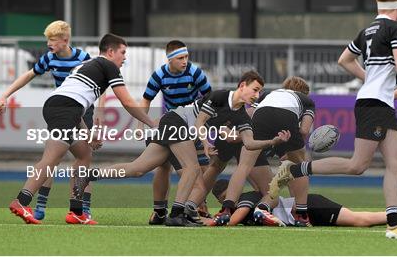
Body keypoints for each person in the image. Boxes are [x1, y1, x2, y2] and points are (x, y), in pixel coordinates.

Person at [269, 0, 397, 239]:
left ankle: (395, 224)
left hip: (377, 102)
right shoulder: (394, 27)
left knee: (396, 163)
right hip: (375, 104)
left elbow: (344, 59)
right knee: (357, 165)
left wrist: (369, 79)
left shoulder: (367, 30)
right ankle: (295, 170)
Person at [74, 71, 290, 226]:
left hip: (178, 128)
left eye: (260, 92)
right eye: (255, 90)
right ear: (242, 85)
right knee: (193, 168)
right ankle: (177, 214)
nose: (257, 95)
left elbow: (249, 143)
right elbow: (199, 123)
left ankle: (90, 175)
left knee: (138, 168)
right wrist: (206, 144)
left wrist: (273, 141)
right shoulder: (220, 96)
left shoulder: (241, 114)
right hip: (176, 121)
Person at [8, 33, 157, 225]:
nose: (125, 57)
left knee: (84, 154)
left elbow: (76, 101)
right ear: (110, 52)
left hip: (62, 107)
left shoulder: (86, 66)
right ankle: (22, 201)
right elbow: (127, 101)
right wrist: (150, 123)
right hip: (64, 109)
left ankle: (76, 211)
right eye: (123, 52)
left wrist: (87, 132)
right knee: (51, 158)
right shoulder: (108, 65)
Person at [0, 20, 103, 223]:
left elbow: (99, 85)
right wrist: (5, 95)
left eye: (52, 40)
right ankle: (40, 205)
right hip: (63, 110)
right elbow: (29, 75)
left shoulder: (83, 58)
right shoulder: (49, 58)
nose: (49, 44)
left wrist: (97, 118)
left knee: (81, 157)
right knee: (55, 157)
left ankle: (81, 209)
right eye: (48, 40)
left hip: (82, 110)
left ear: (65, 40)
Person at [213, 76, 315, 227]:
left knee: (243, 167)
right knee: (300, 167)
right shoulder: (306, 101)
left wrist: (227, 128)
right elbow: (304, 130)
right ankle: (300, 214)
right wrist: (295, 146)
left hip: (261, 117)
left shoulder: (269, 94)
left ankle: (227, 209)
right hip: (287, 119)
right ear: (304, 93)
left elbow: (248, 114)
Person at [139, 40, 212, 225]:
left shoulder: (195, 73)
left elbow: (210, 100)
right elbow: (146, 100)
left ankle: (198, 207)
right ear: (170, 59)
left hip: (193, 125)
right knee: (164, 167)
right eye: (180, 58)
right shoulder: (159, 75)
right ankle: (160, 211)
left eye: (186, 57)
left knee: (202, 169)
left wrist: (205, 127)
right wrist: (141, 126)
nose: (185, 61)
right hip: (174, 125)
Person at [206, 179, 397, 229]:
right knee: (361, 221)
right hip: (305, 211)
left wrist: (210, 224)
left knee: (361, 221)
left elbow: (234, 220)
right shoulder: (240, 202)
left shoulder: (245, 197)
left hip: (310, 207)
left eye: (223, 197)